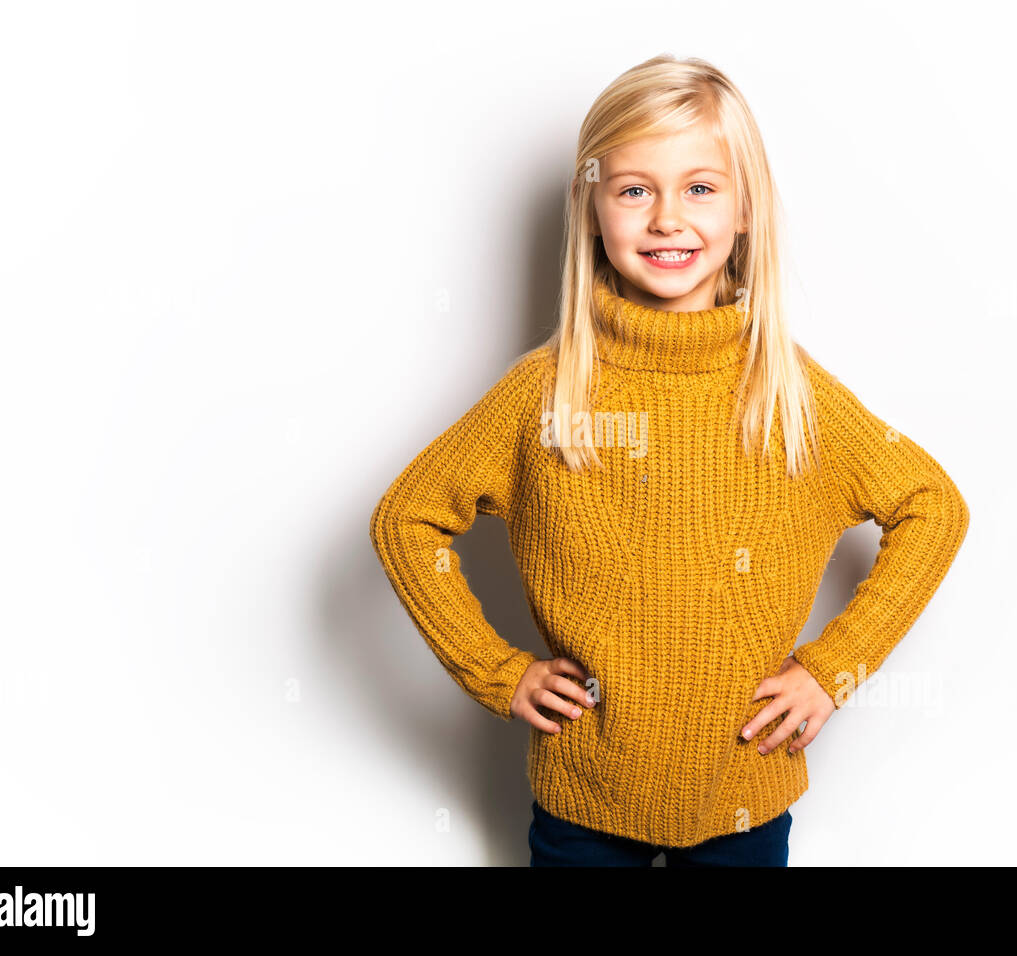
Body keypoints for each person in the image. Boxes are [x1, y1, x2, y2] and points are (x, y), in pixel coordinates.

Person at [370, 54, 970, 866]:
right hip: (583, 796)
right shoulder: (544, 395)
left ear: (745, 207)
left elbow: (933, 506)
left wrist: (831, 670)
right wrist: (496, 670)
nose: (665, 219)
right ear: (592, 209)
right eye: (633, 189)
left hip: (745, 795)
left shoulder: (789, 391)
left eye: (699, 187)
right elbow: (406, 517)